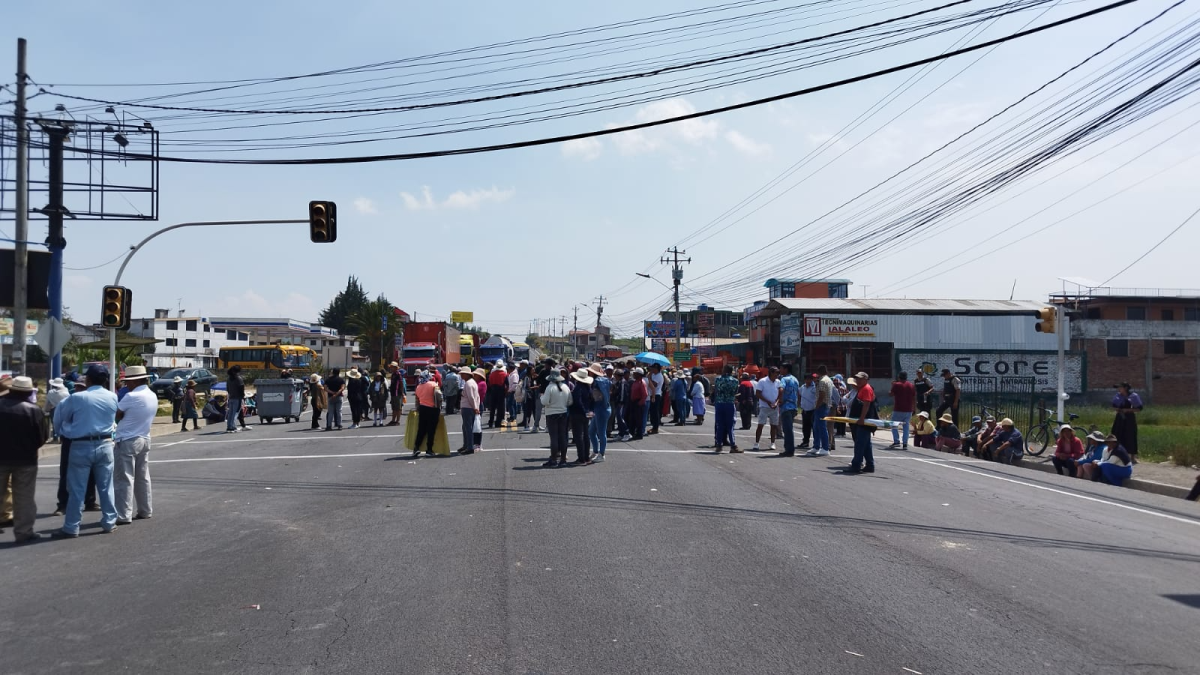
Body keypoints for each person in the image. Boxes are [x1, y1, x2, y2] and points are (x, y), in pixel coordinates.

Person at [51, 364, 119, 538]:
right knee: (106, 487)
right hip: (105, 444)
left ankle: (72, 527)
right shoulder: (112, 397)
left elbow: (60, 417)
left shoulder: (77, 398)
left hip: (81, 445)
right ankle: (109, 521)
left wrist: (63, 431)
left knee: (77, 489)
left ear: (87, 379)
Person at [0, 376, 47, 542]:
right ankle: (24, 532)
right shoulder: (33, 410)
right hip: (26, 460)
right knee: (24, 498)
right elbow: (42, 437)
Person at [113, 366, 155, 525]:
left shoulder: (131, 396)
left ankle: (123, 514)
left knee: (124, 479)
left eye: (128, 382)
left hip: (128, 440)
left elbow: (117, 414)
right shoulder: (152, 395)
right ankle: (145, 510)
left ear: (135, 381)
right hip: (145, 437)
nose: (126, 385)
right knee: (143, 478)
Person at [844, 372, 876, 474]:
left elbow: (866, 405)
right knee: (866, 444)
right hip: (861, 420)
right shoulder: (862, 388)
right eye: (856, 378)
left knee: (860, 444)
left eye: (860, 379)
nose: (857, 380)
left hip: (864, 421)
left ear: (866, 379)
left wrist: (862, 418)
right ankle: (870, 465)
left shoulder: (866, 388)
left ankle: (856, 465)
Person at [541, 370, 572, 467]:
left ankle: (553, 459)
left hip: (551, 414)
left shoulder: (550, 387)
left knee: (554, 437)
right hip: (563, 413)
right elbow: (570, 401)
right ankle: (563, 459)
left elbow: (545, 402)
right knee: (563, 436)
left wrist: (542, 398)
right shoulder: (565, 387)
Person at [710, 365, 741, 453]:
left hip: (719, 403)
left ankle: (719, 445)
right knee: (730, 426)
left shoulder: (718, 379)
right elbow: (735, 392)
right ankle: (733, 445)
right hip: (729, 403)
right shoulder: (735, 381)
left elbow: (716, 390)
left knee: (720, 425)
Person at [410, 373, 441, 458]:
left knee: (421, 430)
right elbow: (439, 396)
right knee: (431, 430)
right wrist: (439, 405)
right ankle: (429, 449)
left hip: (422, 408)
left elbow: (417, 399)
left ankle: (416, 447)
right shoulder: (433, 384)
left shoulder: (418, 387)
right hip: (433, 409)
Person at [568, 368, 595, 465]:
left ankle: (581, 458)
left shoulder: (578, 387)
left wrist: (584, 411)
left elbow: (577, 401)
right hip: (586, 413)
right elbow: (592, 400)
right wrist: (590, 411)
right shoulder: (588, 388)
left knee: (579, 436)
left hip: (578, 414)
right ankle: (586, 457)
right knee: (585, 436)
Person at [1111, 383, 1143, 463]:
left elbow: (1139, 409)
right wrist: (1117, 409)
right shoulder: (1118, 396)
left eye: (1120, 387)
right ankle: (1117, 455)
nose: (1119, 389)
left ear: (1125, 388)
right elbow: (1113, 405)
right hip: (1120, 418)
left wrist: (1128, 410)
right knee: (1117, 434)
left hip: (1129, 418)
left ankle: (1132, 457)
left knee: (1130, 435)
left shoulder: (1133, 396)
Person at [807, 365, 833, 457]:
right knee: (816, 427)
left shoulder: (822, 381)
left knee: (821, 427)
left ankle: (825, 448)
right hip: (826, 405)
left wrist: (817, 406)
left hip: (822, 406)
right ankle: (816, 446)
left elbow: (821, 395)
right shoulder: (829, 380)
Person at [587, 364, 611, 462]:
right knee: (592, 431)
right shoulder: (605, 380)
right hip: (603, 407)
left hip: (600, 407)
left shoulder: (596, 382)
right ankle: (597, 452)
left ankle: (601, 454)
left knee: (600, 432)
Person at [754, 367, 781, 451]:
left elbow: (780, 393)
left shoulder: (778, 382)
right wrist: (768, 402)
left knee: (774, 425)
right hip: (764, 407)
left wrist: (776, 403)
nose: (777, 375)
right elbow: (758, 393)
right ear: (771, 373)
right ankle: (756, 443)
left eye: (778, 373)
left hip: (774, 407)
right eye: (776, 373)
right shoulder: (762, 381)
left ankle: (773, 443)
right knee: (760, 425)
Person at [775, 364, 800, 456]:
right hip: (793, 406)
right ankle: (789, 449)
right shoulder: (795, 379)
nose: (780, 370)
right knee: (789, 428)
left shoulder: (784, 379)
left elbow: (781, 389)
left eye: (781, 368)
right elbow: (798, 393)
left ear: (786, 369)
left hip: (786, 406)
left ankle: (789, 450)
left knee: (787, 429)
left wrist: (779, 400)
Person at [889, 371, 916, 449]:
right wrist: (914, 408)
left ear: (899, 377)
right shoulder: (911, 385)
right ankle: (905, 443)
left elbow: (891, 394)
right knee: (906, 426)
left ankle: (896, 441)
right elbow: (914, 397)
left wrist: (892, 385)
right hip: (908, 409)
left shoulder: (897, 385)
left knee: (894, 425)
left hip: (898, 409)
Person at [459, 367, 482, 454]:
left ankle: (469, 447)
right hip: (470, 407)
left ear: (466, 374)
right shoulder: (473, 383)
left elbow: (471, 397)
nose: (461, 375)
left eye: (462, 374)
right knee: (466, 427)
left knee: (467, 427)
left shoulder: (468, 384)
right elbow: (477, 397)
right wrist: (476, 406)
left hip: (467, 407)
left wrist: (475, 407)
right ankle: (466, 445)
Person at [43, 376, 70, 443]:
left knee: (55, 423)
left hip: (54, 409)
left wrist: (45, 410)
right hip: (64, 409)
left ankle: (55, 438)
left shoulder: (51, 392)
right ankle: (62, 438)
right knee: (63, 424)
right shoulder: (66, 393)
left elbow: (47, 403)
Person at [226, 365, 249, 433]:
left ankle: (229, 426)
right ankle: (233, 426)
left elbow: (228, 389)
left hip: (231, 397)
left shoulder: (229, 379)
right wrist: (242, 396)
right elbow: (241, 388)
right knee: (236, 413)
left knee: (230, 413)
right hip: (237, 398)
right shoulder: (239, 378)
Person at [627, 368, 648, 441]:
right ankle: (632, 433)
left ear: (639, 374)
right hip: (633, 402)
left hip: (638, 403)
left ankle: (639, 434)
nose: (633, 374)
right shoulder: (635, 382)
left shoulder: (642, 383)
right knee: (633, 419)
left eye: (635, 373)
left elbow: (645, 395)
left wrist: (640, 403)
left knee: (639, 420)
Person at [798, 372, 817, 450]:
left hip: (812, 410)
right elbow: (799, 393)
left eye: (810, 379)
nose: (808, 381)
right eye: (807, 379)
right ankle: (805, 442)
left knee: (814, 428)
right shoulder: (802, 387)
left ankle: (816, 443)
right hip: (804, 410)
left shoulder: (814, 388)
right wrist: (799, 403)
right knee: (805, 427)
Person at [610, 367, 630, 441]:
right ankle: (621, 433)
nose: (614, 376)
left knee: (620, 418)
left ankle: (626, 433)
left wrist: (621, 402)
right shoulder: (618, 382)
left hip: (621, 403)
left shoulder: (622, 383)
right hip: (618, 402)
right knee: (618, 418)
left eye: (615, 375)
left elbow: (622, 393)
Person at [487, 362, 507, 428]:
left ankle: (490, 422)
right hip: (501, 390)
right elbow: (507, 384)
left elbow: (489, 383)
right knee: (500, 408)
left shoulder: (492, 374)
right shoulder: (504, 374)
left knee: (492, 408)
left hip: (493, 390)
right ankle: (498, 422)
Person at [646, 363, 665, 435]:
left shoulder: (659, 376)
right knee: (652, 412)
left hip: (656, 395)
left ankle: (656, 427)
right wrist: (649, 374)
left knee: (655, 412)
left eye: (653, 368)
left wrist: (649, 378)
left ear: (657, 369)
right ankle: (653, 426)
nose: (652, 369)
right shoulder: (653, 374)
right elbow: (647, 378)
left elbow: (654, 384)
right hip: (651, 394)